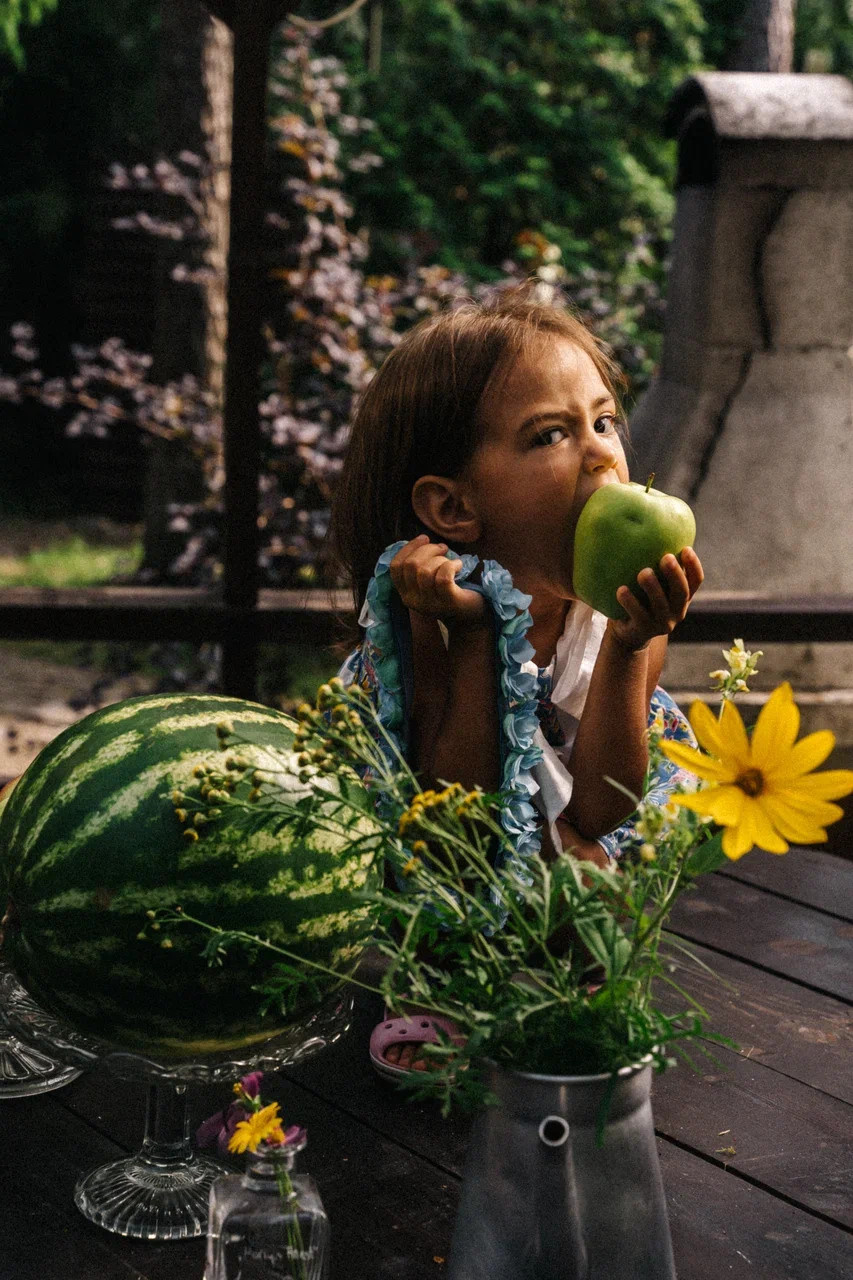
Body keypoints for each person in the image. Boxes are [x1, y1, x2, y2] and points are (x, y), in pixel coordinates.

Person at [327, 286, 704, 1077]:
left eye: (603, 421)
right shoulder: (418, 626)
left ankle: (566, 995)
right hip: (447, 847)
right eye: (550, 436)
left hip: (570, 846)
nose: (602, 453)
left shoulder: (616, 619)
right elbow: (452, 824)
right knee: (440, 871)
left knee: (591, 880)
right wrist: (472, 640)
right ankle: (439, 991)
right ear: (453, 507)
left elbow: (603, 808)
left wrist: (634, 645)